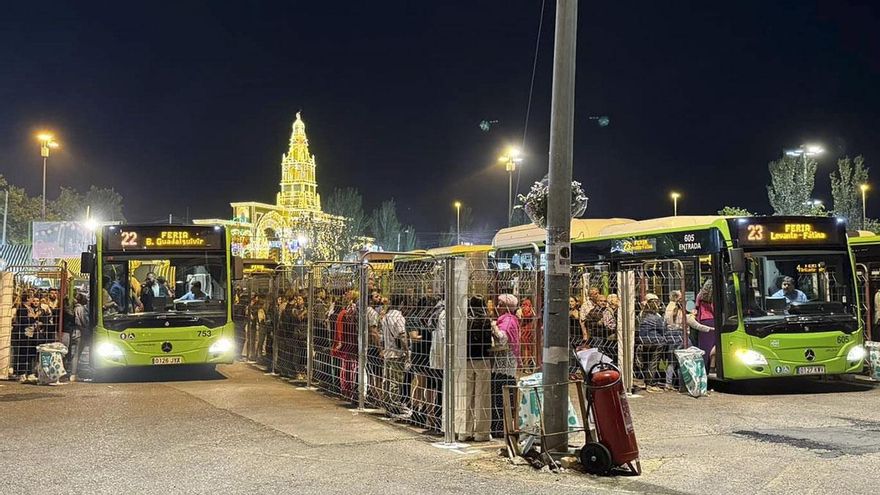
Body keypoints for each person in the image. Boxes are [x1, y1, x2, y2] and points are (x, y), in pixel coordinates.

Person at [455, 295, 492, 442]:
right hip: (481, 359)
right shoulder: (485, 321)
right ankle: (481, 432)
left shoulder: (464, 321)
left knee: (466, 396)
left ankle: (465, 431)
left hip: (466, 360)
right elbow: (489, 343)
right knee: (482, 396)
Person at [490, 294, 520, 436]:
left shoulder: (507, 320)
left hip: (504, 364)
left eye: (500, 304)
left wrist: (494, 326)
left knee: (500, 397)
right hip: (506, 364)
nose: (497, 307)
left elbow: (502, 339)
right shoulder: (510, 319)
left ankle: (499, 428)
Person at [382, 294, 410, 417]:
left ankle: (387, 404)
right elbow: (402, 335)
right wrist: (407, 350)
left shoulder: (386, 316)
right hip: (397, 353)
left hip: (388, 351)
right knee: (396, 381)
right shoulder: (399, 317)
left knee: (387, 379)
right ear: (402, 303)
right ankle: (393, 406)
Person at [695, 279, 716, 367]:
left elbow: (696, 306)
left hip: (702, 321)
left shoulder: (700, 296)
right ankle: (713, 365)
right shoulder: (714, 296)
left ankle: (704, 367)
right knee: (714, 345)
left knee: (704, 347)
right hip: (712, 321)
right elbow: (714, 309)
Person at [516, 298, 536, 371]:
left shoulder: (519, 311)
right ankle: (530, 366)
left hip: (523, 331)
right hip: (530, 331)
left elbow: (519, 321)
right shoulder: (532, 311)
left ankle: (523, 367)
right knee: (530, 349)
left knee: (522, 349)